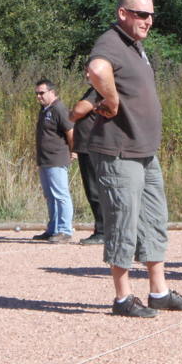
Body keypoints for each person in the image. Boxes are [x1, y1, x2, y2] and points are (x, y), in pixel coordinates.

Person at [86, 0, 182, 318]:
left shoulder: (135, 47)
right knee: (123, 222)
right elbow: (96, 70)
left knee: (153, 220)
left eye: (151, 15)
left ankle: (159, 291)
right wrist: (111, 100)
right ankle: (123, 299)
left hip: (145, 151)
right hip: (119, 152)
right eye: (141, 14)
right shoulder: (110, 42)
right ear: (123, 13)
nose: (148, 21)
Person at [32, 78, 75, 244]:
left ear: (51, 92)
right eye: (37, 94)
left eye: (42, 93)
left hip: (57, 158)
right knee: (50, 196)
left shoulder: (59, 108)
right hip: (44, 159)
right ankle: (53, 229)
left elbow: (70, 130)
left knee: (61, 195)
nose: (39, 97)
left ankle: (64, 230)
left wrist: (74, 150)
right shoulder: (44, 110)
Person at [68, 79, 105, 245]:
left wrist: (74, 112)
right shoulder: (93, 91)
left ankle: (103, 231)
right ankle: (102, 229)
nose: (87, 74)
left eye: (89, 70)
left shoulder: (97, 91)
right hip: (86, 148)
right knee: (93, 191)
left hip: (91, 148)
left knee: (95, 190)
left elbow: (78, 110)